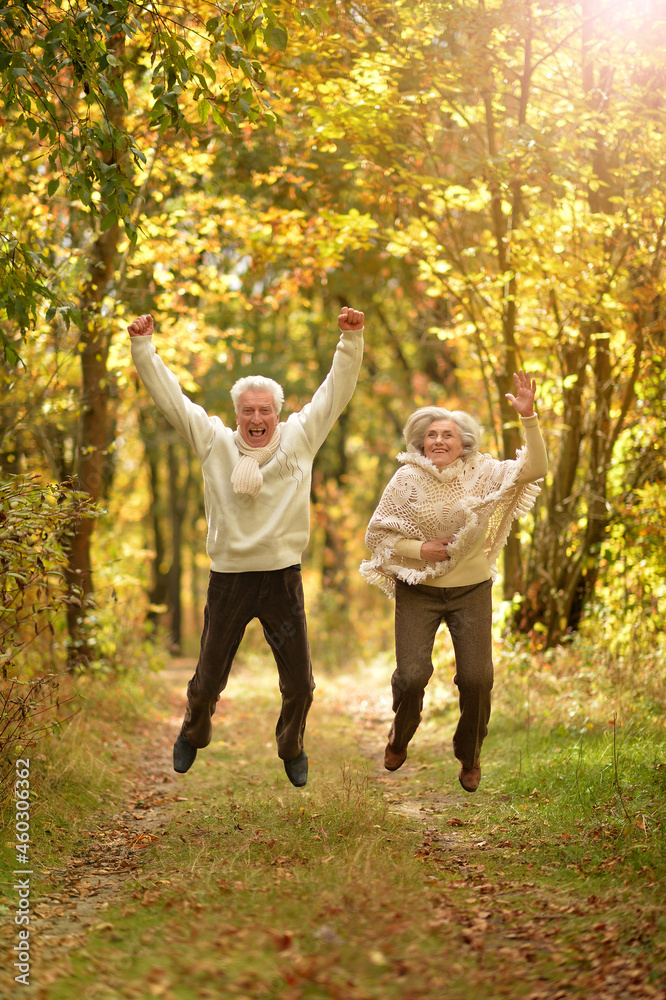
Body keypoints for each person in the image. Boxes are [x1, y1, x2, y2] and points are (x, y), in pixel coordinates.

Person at [128, 307, 365, 787]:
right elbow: (172, 399)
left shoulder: (299, 438)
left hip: (282, 577)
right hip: (230, 578)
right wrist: (143, 347)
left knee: (300, 683)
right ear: (237, 415)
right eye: (248, 411)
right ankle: (194, 733)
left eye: (265, 410)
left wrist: (351, 340)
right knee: (208, 679)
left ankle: (291, 745)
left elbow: (334, 394)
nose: (257, 418)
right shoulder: (215, 442)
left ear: (277, 413)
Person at [360, 371, 547, 793]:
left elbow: (536, 467)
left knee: (478, 678)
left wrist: (529, 417)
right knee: (411, 676)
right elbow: (378, 534)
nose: (439, 441)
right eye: (431, 435)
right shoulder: (405, 479)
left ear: (465, 442)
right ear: (421, 443)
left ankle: (470, 755)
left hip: (470, 589)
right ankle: (401, 733)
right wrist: (419, 550)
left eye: (448, 434)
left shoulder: (486, 473)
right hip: (418, 590)